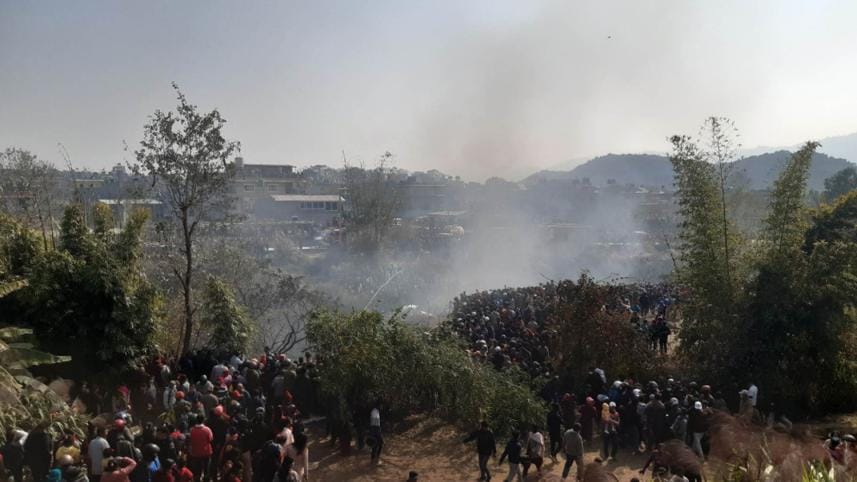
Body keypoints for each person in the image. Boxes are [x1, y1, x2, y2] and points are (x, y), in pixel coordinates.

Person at [188, 415, 213, 482]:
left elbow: (190, 440)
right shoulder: (207, 430)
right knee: (206, 470)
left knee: (197, 471)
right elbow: (210, 439)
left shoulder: (192, 430)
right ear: (203, 420)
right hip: (206, 453)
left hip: (196, 453)